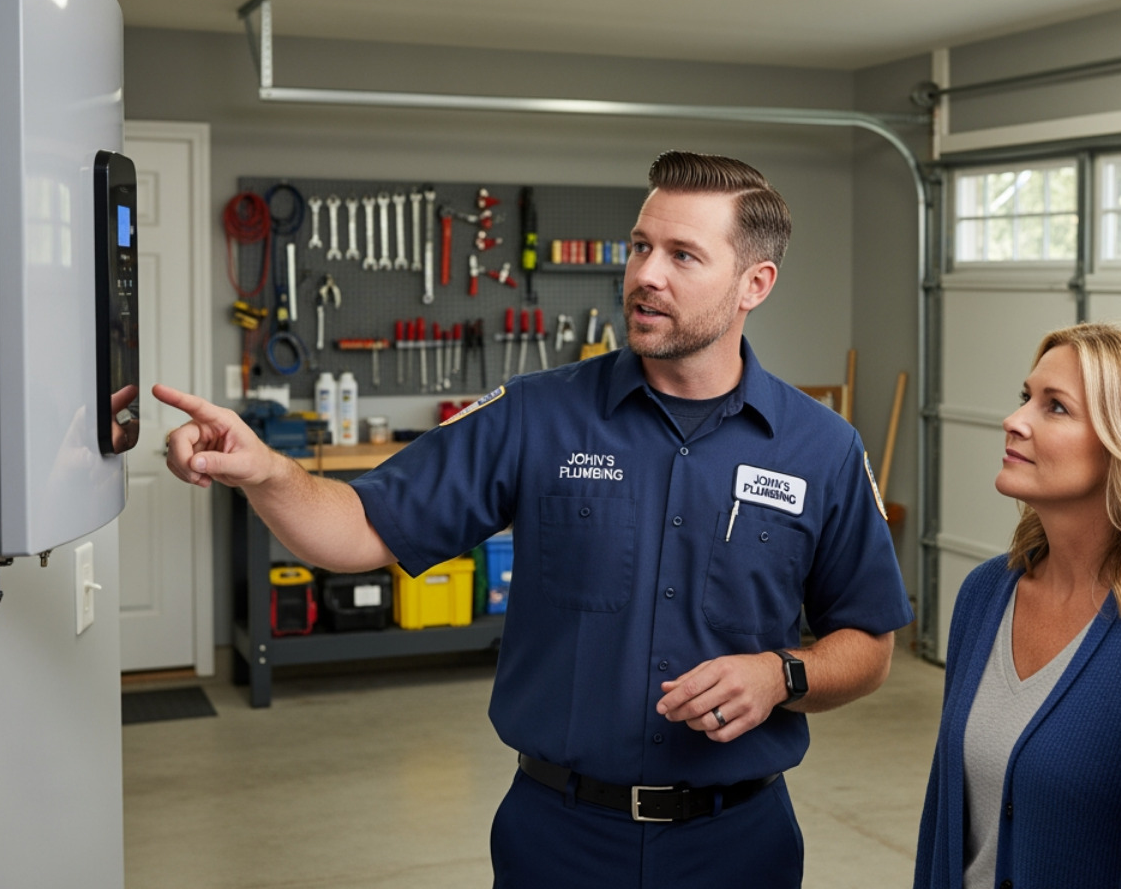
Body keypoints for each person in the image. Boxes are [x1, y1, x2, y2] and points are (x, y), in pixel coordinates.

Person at [155, 150, 913, 889]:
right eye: (641, 247)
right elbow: (356, 529)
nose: (646, 273)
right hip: (561, 840)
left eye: (683, 255)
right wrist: (267, 471)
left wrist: (781, 675)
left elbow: (868, 644)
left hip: (740, 845)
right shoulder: (535, 416)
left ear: (755, 283)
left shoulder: (822, 448)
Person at [914, 322, 1121, 889]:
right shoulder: (985, 594)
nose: (1016, 420)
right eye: (1026, 397)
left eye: (1055, 408)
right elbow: (947, 822)